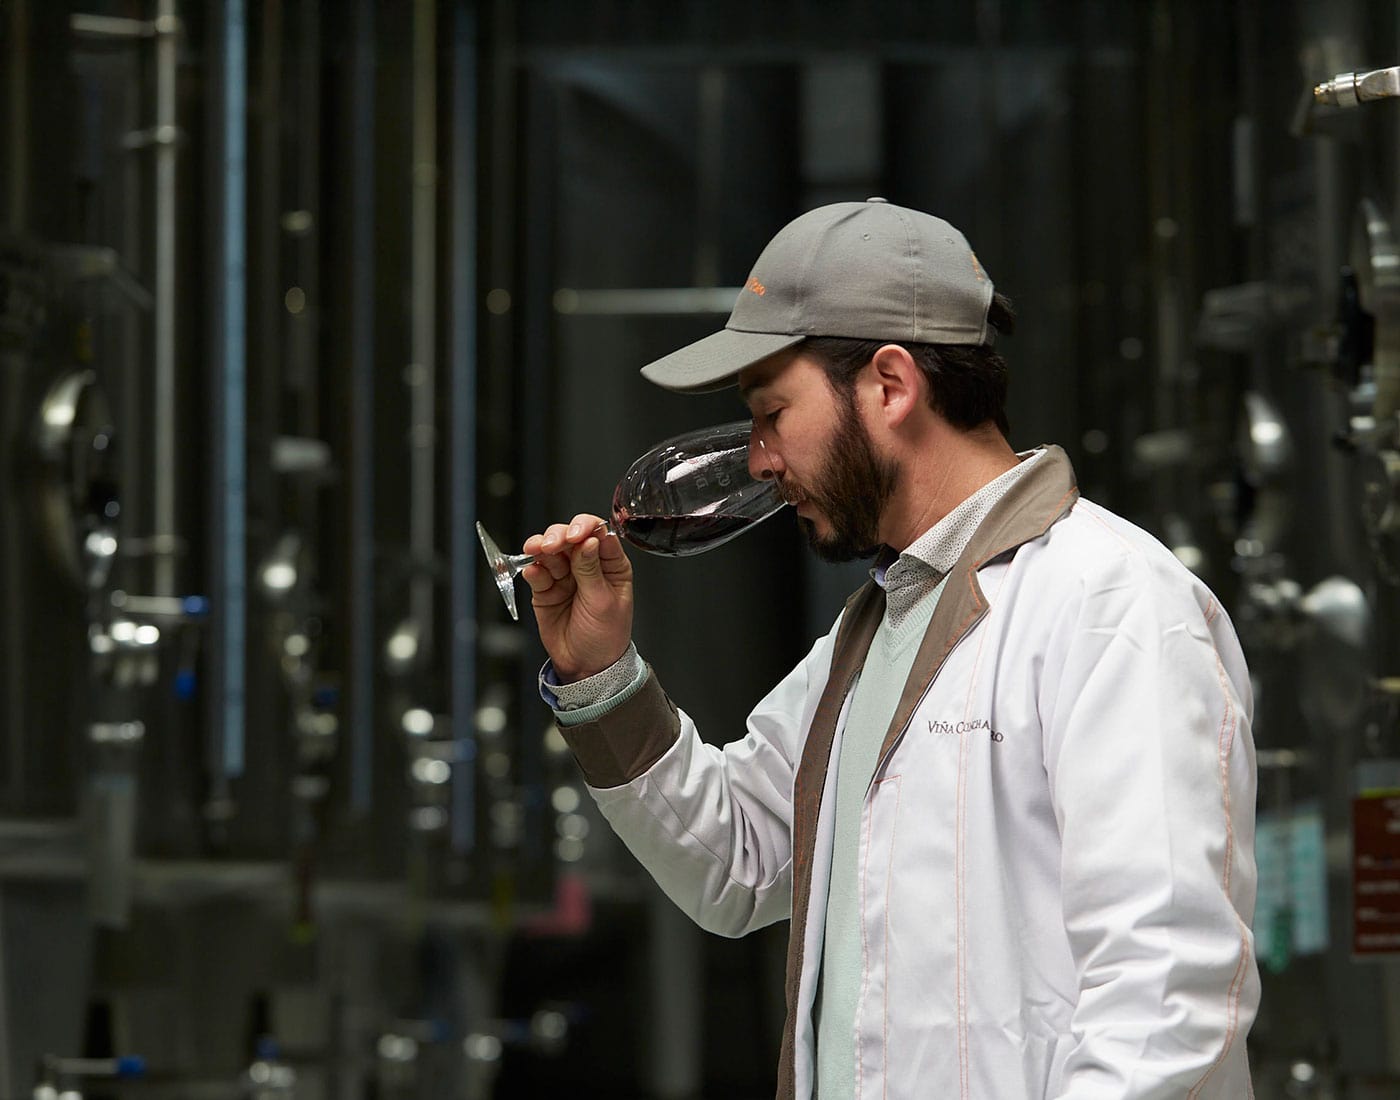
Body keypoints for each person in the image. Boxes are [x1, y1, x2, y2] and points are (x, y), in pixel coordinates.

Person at [521, 198, 1258, 1099]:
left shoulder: (1110, 607)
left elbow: (1166, 1005)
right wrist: (601, 676)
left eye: (772, 412)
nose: (757, 460)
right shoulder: (877, 630)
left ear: (890, 385)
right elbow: (739, 864)